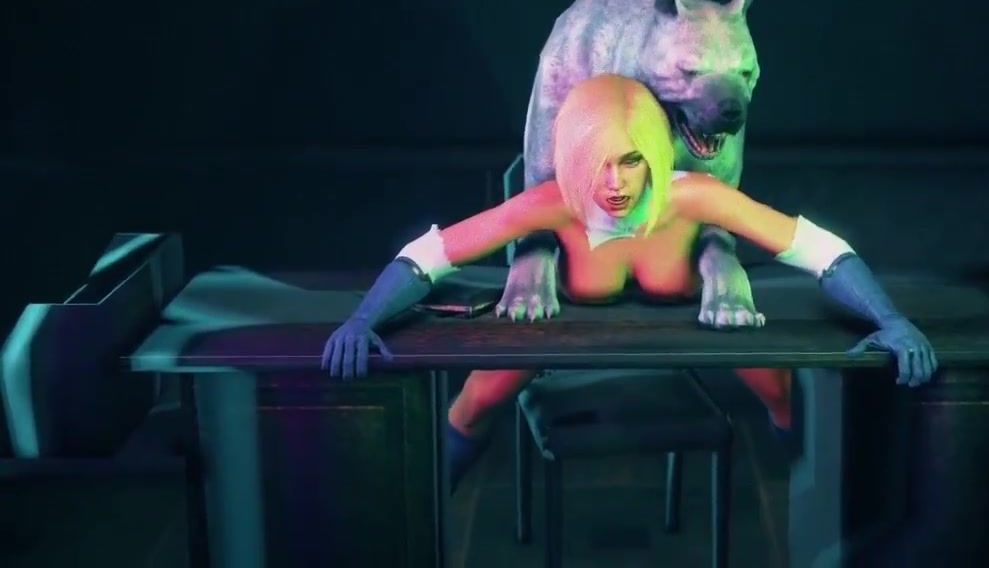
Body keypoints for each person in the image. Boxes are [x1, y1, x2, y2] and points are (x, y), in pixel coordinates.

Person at [321, 73, 938, 486]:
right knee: (476, 400)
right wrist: (362, 320)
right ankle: (411, 537)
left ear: (654, 155)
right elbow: (430, 254)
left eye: (631, 160)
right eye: (599, 164)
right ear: (574, 160)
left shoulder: (692, 196)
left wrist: (892, 319)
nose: (614, 183)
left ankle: (827, 528)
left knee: (780, 390)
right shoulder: (553, 203)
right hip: (564, 330)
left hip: (697, 328)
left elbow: (819, 249)